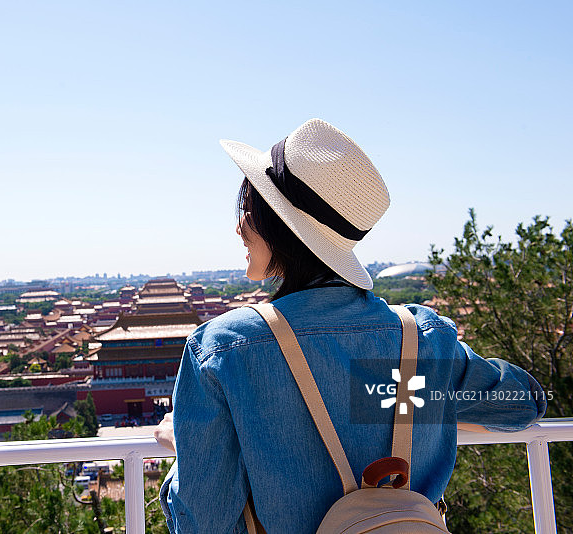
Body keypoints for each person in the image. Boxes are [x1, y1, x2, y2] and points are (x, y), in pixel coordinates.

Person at [153, 118, 547, 533]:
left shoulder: (223, 349)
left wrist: (191, 449)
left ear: (278, 223)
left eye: (248, 212)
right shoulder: (421, 339)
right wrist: (435, 399)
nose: (239, 226)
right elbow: (525, 401)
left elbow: (204, 521)